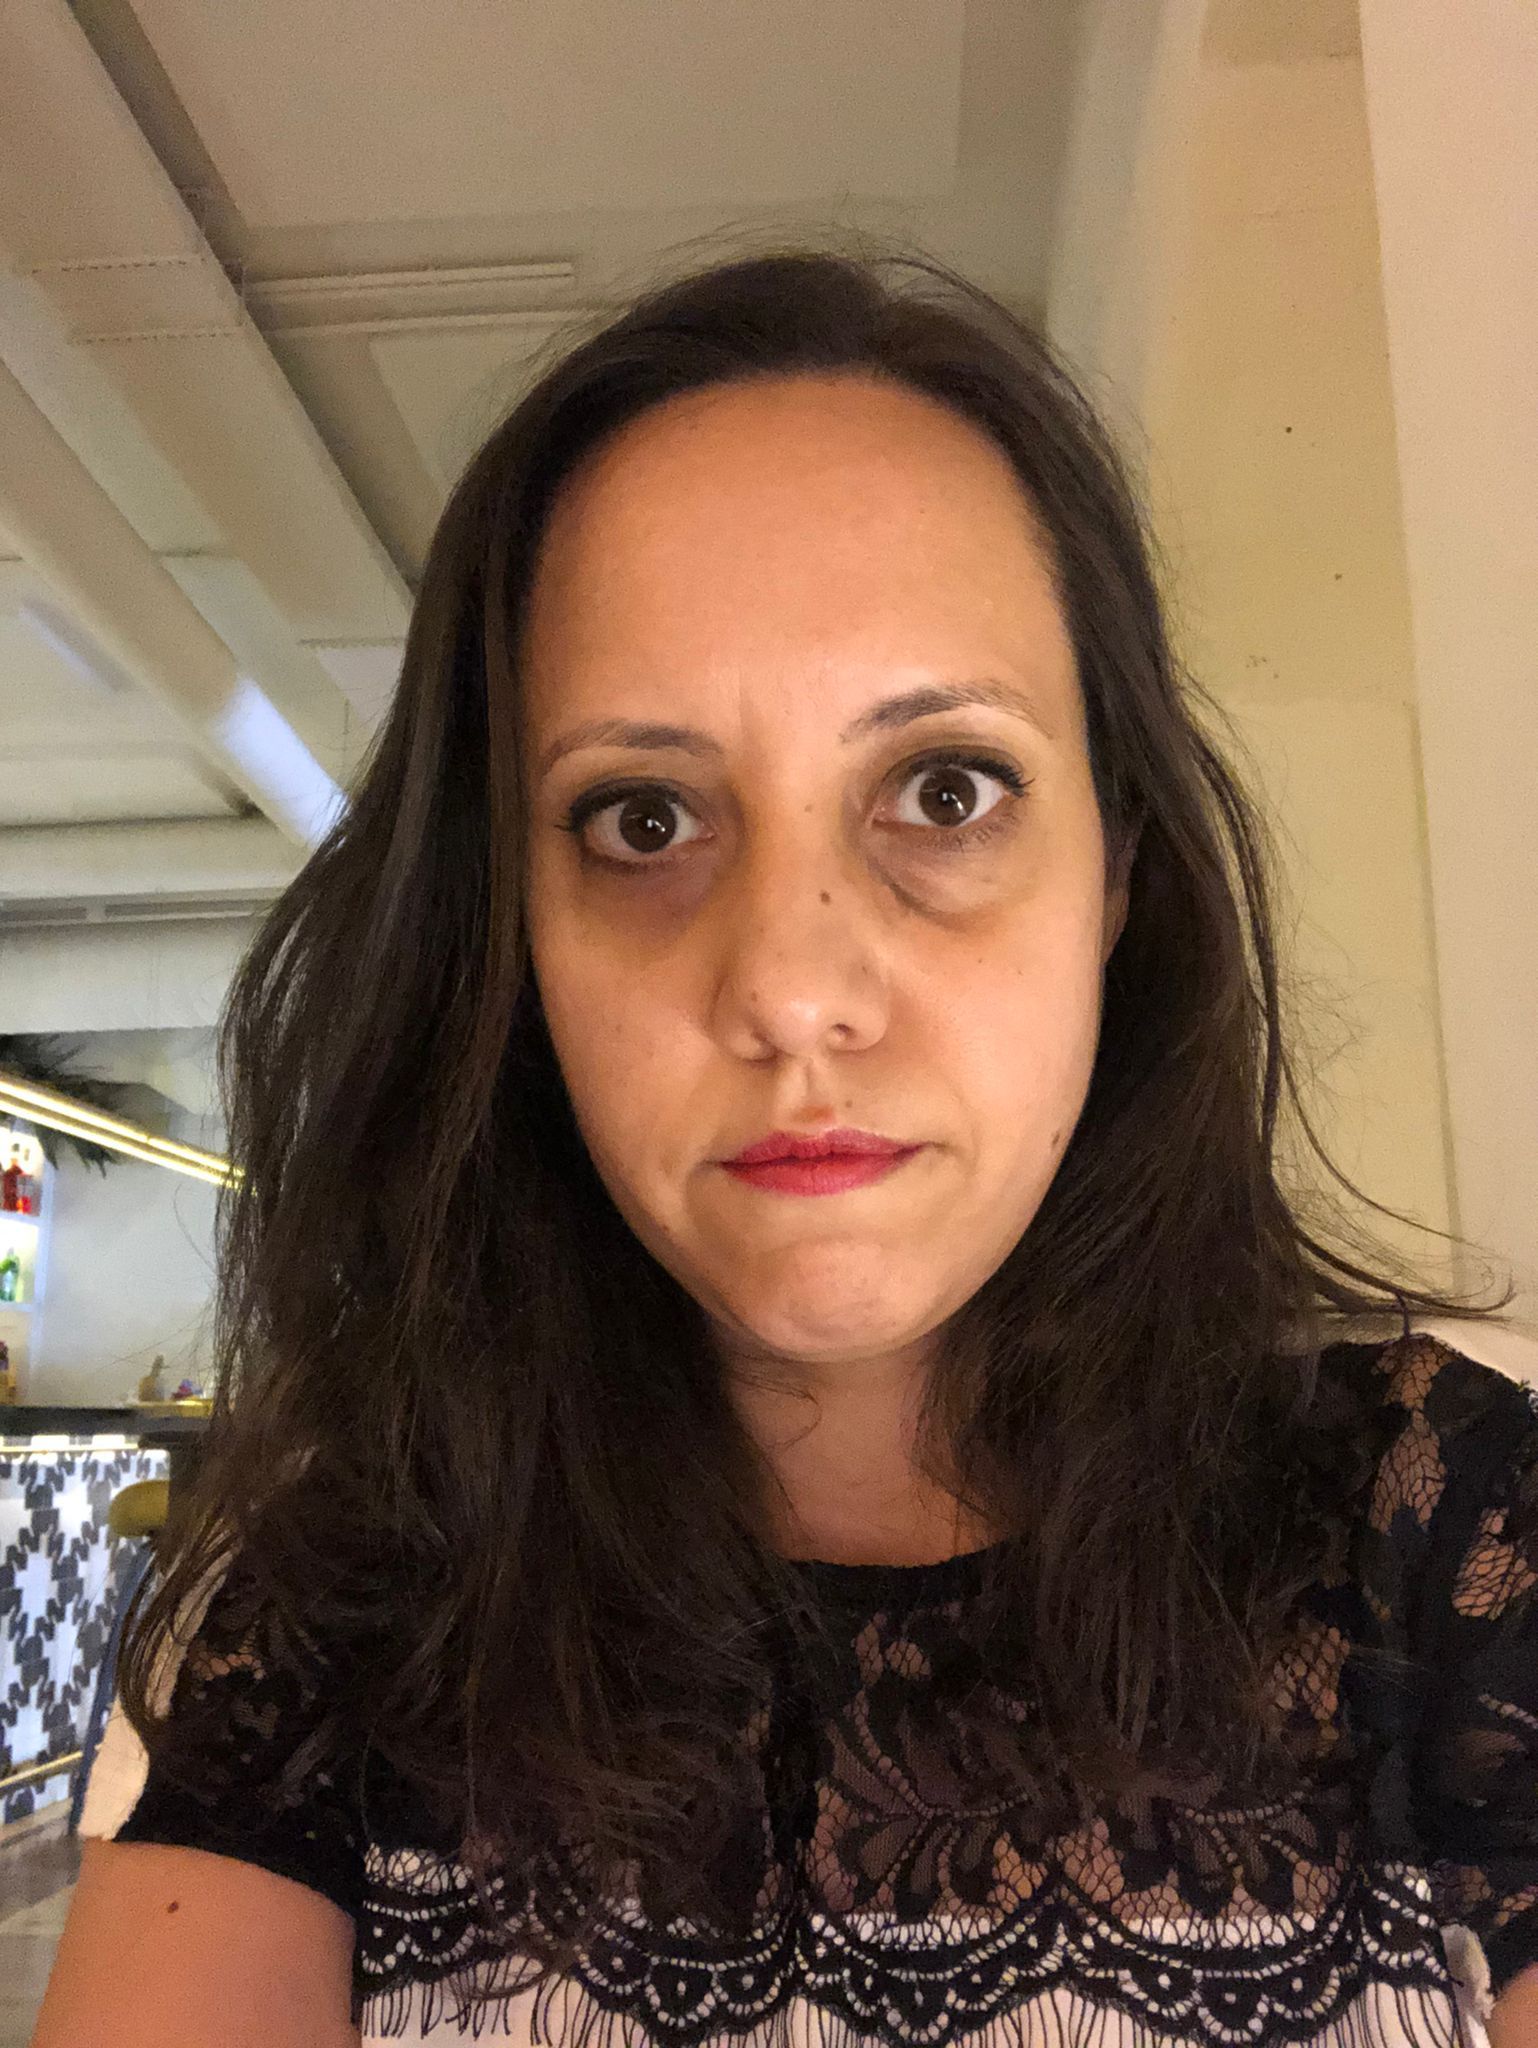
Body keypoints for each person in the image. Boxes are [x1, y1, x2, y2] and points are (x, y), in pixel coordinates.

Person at [33, 241, 1538, 2048]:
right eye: (641, 818)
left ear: (1117, 875)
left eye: (945, 790)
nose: (791, 991)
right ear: (509, 934)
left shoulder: (1456, 1538)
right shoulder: (328, 1599)